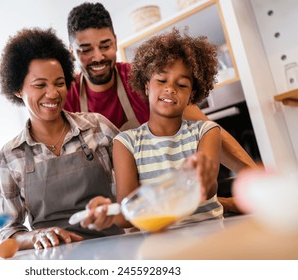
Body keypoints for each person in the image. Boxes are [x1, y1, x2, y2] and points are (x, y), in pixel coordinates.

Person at [64, 2, 257, 213]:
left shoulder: (143, 80)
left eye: (105, 46)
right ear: (72, 51)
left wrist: (257, 180)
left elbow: (209, 131)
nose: (98, 57)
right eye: (85, 50)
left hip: (160, 204)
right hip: (112, 210)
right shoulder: (67, 97)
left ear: (116, 41)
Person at [0, 27, 123, 251]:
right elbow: (7, 231)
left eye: (59, 83)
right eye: (40, 85)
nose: (52, 93)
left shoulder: (98, 127)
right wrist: (34, 237)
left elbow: (136, 193)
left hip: (115, 249)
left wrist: (115, 210)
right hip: (54, 260)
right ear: (18, 90)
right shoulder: (9, 157)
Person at [85, 29, 224, 230]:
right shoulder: (126, 143)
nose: (170, 88)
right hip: (159, 248)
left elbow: (208, 189)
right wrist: (109, 213)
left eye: (182, 84)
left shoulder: (207, 131)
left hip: (209, 240)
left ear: (192, 94)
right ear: (147, 85)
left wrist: (202, 174)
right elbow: (128, 213)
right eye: (161, 80)